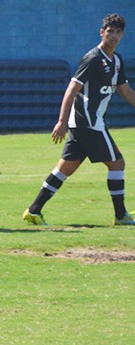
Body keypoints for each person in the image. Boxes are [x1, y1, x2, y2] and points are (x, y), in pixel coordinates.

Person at [23, 13, 135, 227]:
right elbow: (72, 89)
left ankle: (33, 211)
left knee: (66, 168)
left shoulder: (117, 61)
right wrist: (61, 121)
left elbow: (126, 91)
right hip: (88, 122)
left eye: (118, 32)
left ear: (122, 35)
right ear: (101, 33)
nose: (114, 36)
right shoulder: (93, 58)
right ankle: (121, 215)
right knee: (117, 163)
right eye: (110, 31)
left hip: (88, 122)